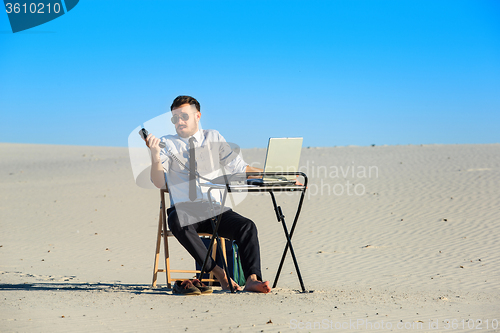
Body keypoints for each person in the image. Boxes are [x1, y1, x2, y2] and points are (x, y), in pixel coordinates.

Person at [144, 95, 271, 293]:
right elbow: (159, 182)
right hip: (185, 210)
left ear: (198, 116)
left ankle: (252, 279)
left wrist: (275, 175)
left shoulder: (213, 137)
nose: (179, 122)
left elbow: (240, 168)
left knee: (247, 227)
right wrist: (154, 154)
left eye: (184, 116)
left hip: (214, 209)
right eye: (175, 118)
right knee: (178, 221)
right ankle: (220, 274)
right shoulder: (166, 144)